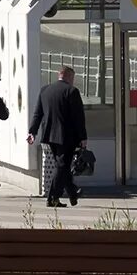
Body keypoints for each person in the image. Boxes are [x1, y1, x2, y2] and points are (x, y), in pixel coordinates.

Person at [27, 65, 88, 208]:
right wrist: (83, 137)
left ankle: (73, 192)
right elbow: (78, 117)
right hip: (67, 137)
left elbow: (38, 114)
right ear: (69, 77)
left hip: (49, 136)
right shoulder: (72, 91)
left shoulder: (45, 90)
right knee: (62, 166)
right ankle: (52, 198)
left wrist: (32, 132)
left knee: (62, 166)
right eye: (73, 78)